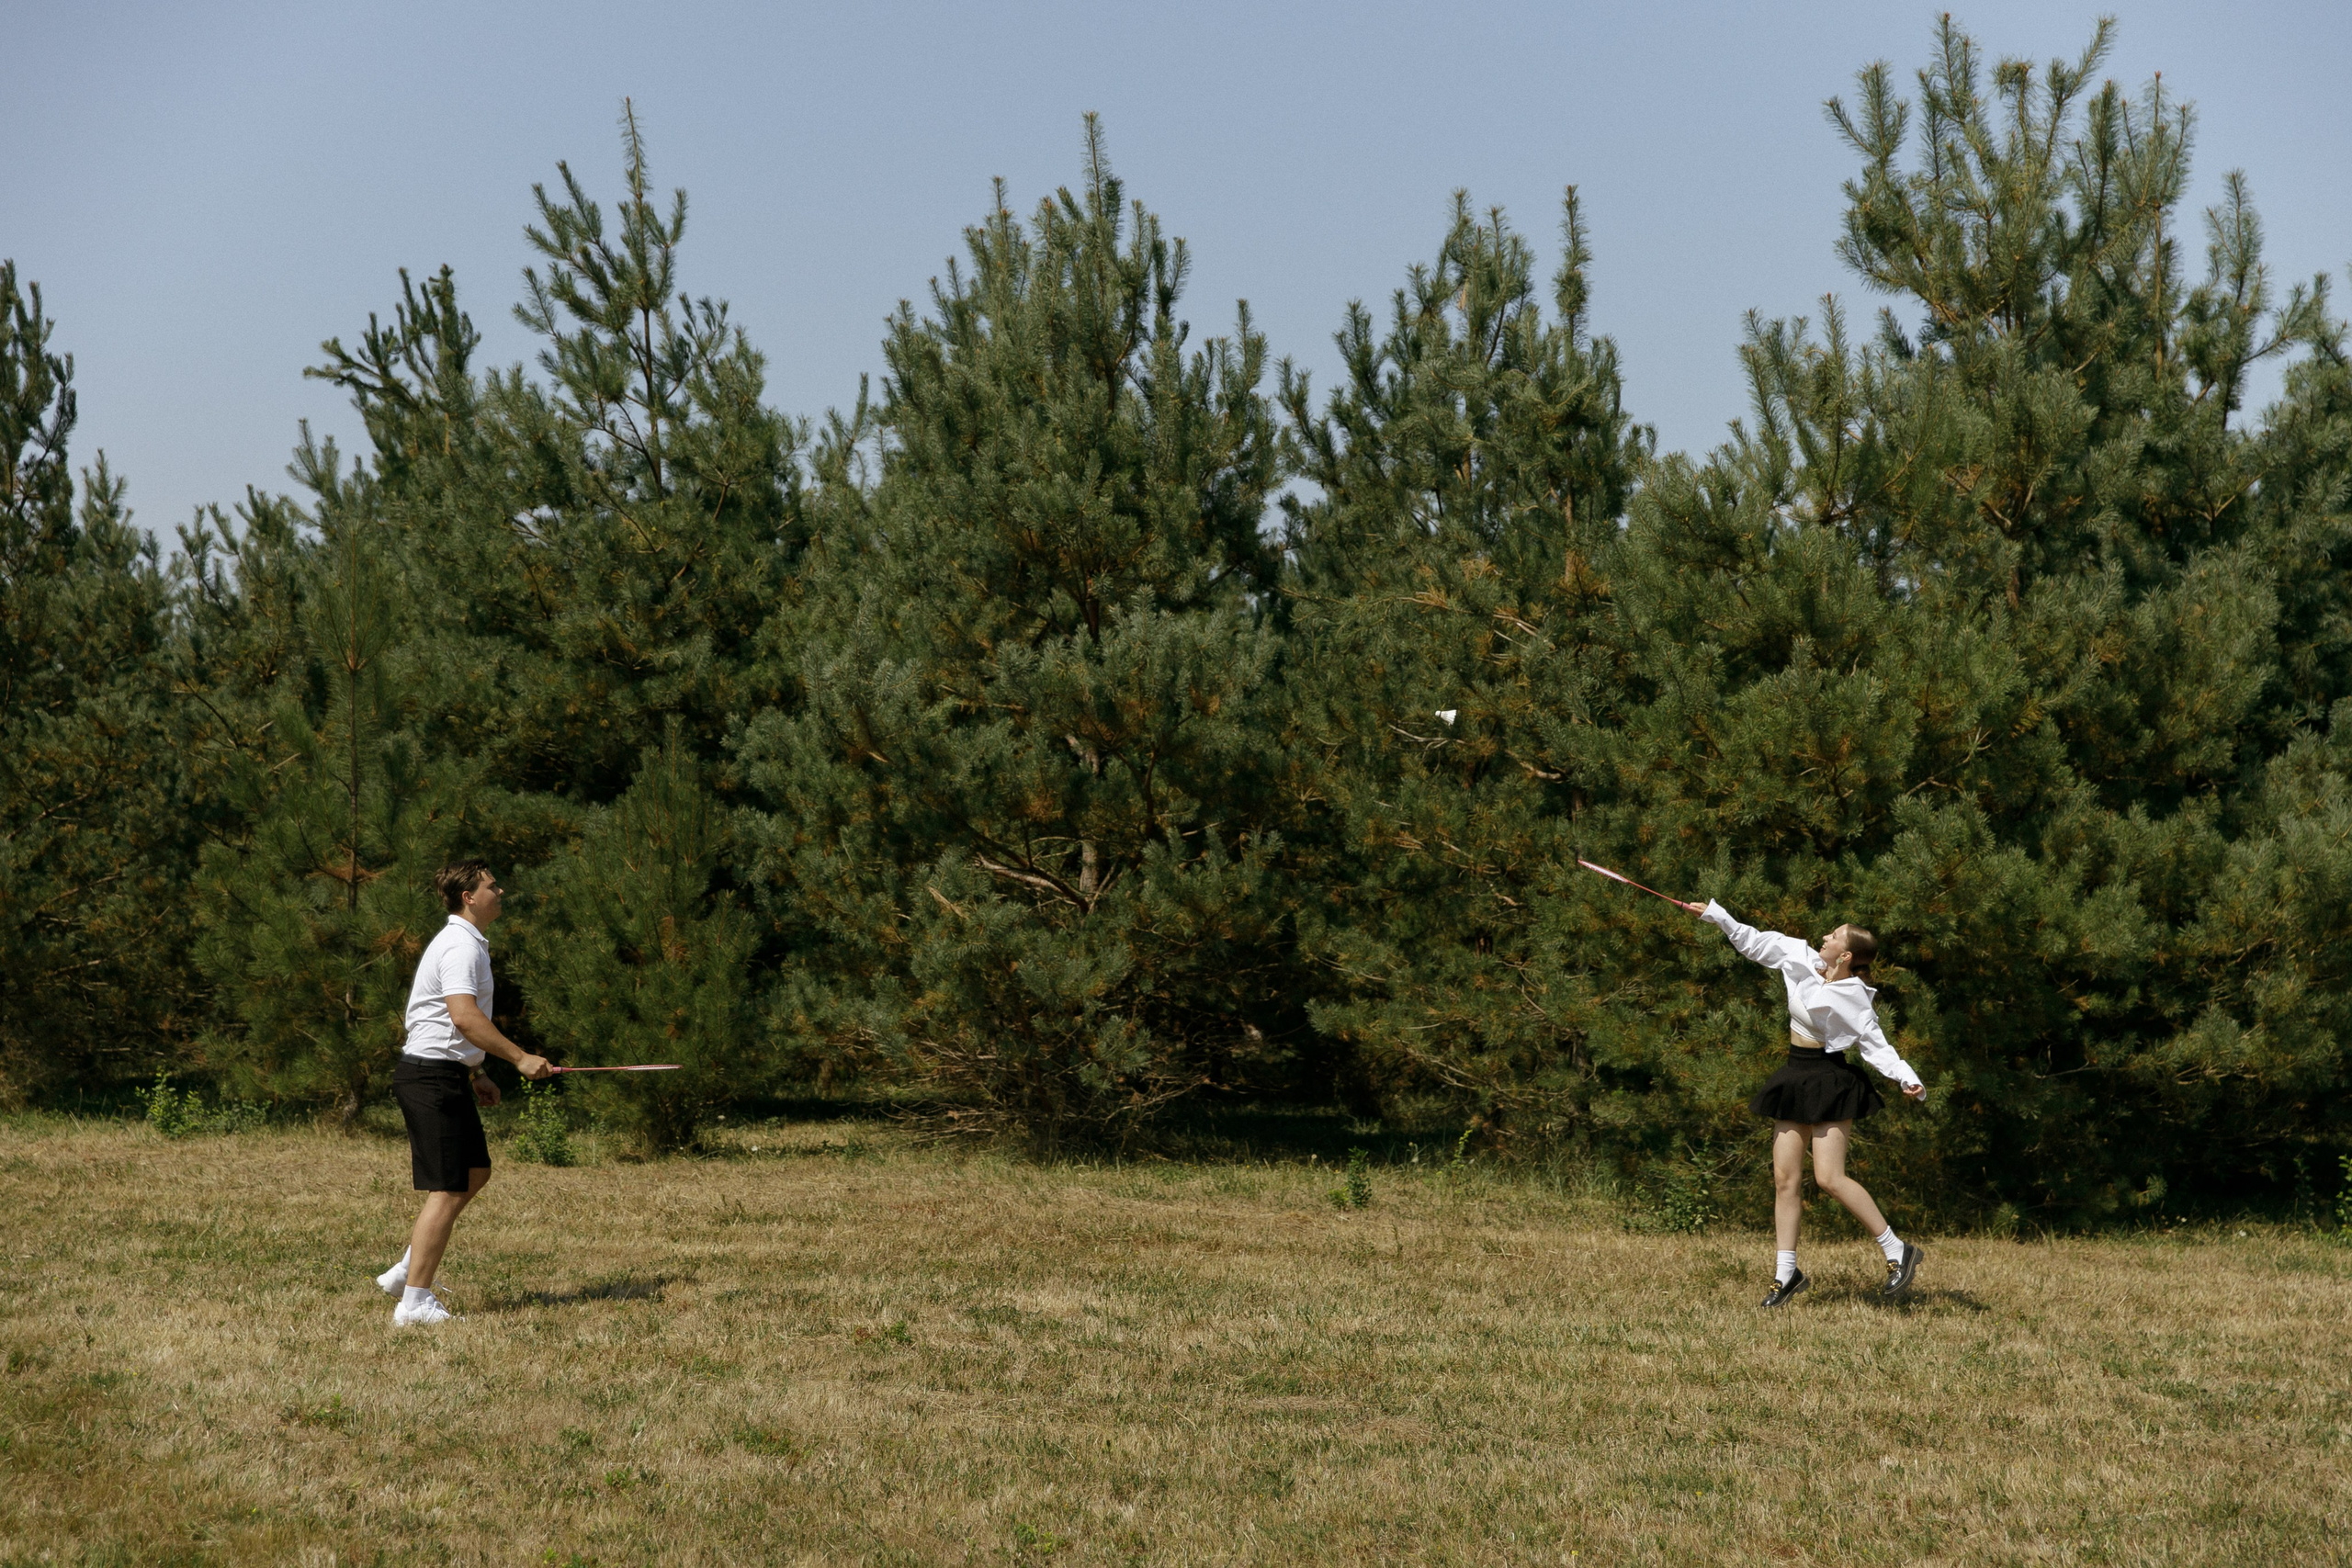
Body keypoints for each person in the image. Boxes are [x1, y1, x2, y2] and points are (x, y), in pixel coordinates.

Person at [1677, 897, 1926, 1307]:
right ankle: (1787, 1273)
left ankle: (1897, 1249)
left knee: (1829, 1178)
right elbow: (1752, 941)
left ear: (1845, 955)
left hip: (1831, 1080)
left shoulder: (1855, 997)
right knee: (1785, 1179)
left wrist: (1907, 1078)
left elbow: (1876, 1045)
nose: (1824, 936)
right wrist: (1715, 915)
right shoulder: (1798, 956)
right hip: (1795, 1074)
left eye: (1834, 936)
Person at [374, 861, 551, 1325]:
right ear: (469, 897)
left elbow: (454, 1026)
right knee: (449, 1187)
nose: (500, 891)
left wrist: (477, 1072)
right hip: (429, 1077)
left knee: (474, 1172)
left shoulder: (468, 942)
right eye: (492, 885)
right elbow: (463, 1016)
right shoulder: (459, 946)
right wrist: (519, 1058)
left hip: (446, 1074)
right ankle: (414, 1303)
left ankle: (407, 1271)